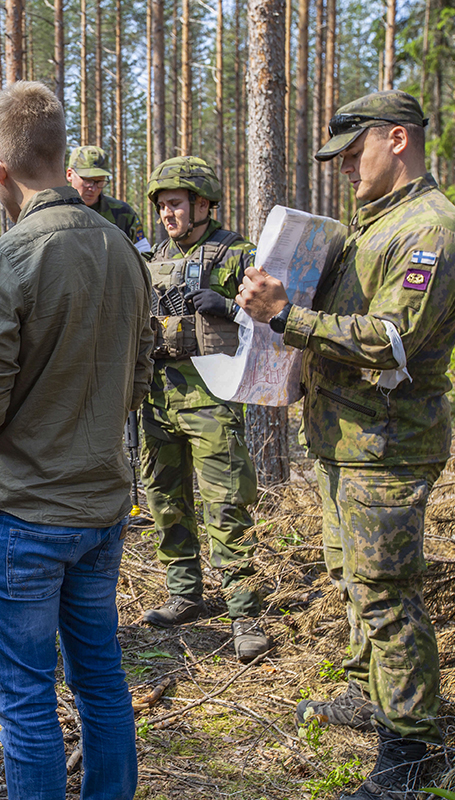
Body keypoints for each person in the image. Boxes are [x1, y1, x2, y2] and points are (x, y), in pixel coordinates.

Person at [237, 90, 455, 800]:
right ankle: (372, 697)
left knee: (385, 593)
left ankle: (410, 751)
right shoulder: (372, 224)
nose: (344, 169)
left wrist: (287, 317)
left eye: (353, 153)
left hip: (388, 443)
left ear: (396, 140)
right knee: (352, 582)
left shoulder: (431, 230)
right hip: (346, 439)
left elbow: (392, 341)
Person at [0, 81, 150, 800]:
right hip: (101, 512)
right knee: (101, 682)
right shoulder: (124, 248)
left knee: (25, 702)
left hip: (25, 518)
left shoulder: (8, 258)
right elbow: (139, 378)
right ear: (60, 155)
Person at [138, 156, 271, 663]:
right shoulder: (151, 258)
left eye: (176, 204)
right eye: (162, 206)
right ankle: (185, 594)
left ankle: (245, 613)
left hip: (212, 397)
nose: (168, 214)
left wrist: (232, 307)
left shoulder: (238, 253)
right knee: (164, 498)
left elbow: (276, 315)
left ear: (203, 204)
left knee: (226, 506)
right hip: (158, 395)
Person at [66, 145, 150, 254]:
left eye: (100, 181)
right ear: (69, 175)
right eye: (87, 180)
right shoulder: (56, 213)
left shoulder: (123, 213)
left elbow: (143, 254)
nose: (93, 188)